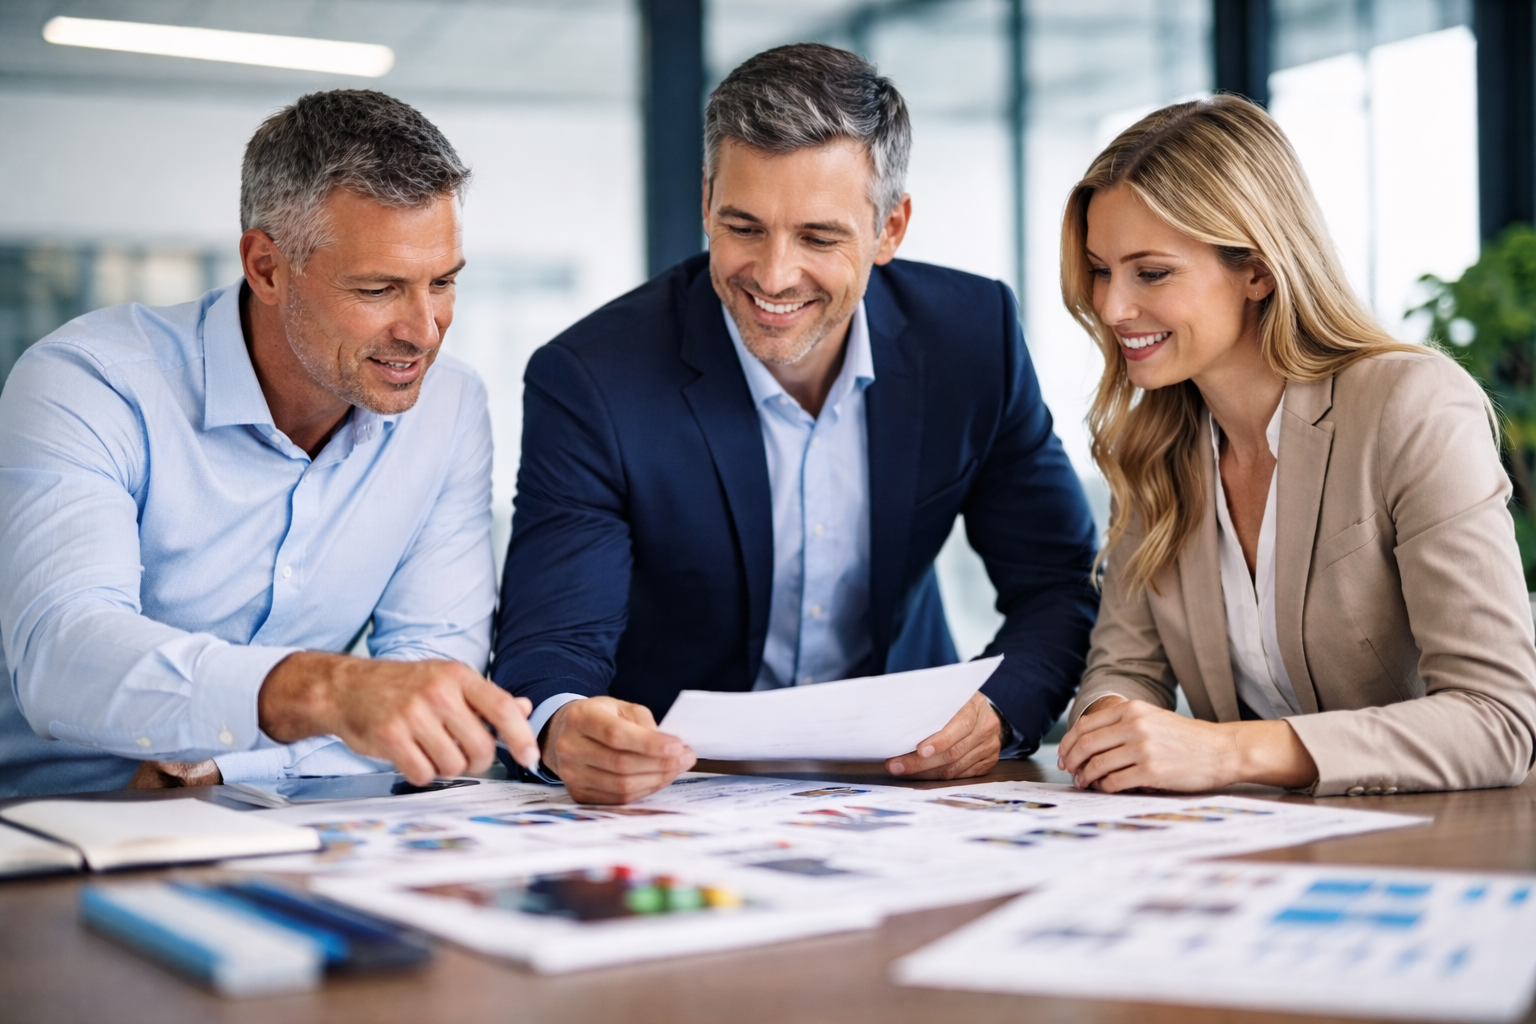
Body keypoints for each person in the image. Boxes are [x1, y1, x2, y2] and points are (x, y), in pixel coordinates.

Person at [493, 44, 1099, 805]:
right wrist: (564, 727)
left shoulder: (973, 340)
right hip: (678, 793)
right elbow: (551, 647)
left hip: (909, 785)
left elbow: (1058, 582)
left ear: (891, 228)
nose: (774, 276)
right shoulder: (592, 378)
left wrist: (998, 710)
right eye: (744, 227)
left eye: (817, 237)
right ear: (707, 199)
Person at [0, 89, 540, 798]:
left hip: (268, 813)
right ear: (267, 268)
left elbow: (433, 688)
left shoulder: (450, 406)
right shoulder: (90, 383)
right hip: (42, 826)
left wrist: (228, 764)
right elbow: (62, 654)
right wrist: (322, 689)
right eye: (378, 289)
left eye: (442, 283)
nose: (425, 329)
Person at [1056, 95, 1536, 796]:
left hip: (1437, 845)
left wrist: (1227, 753)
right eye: (1101, 269)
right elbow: (1125, 668)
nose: (1110, 307)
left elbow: (1498, 719)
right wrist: (1113, 728)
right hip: (1261, 851)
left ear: (1257, 269)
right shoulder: (1154, 443)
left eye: (1150, 272)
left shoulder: (1411, 407)